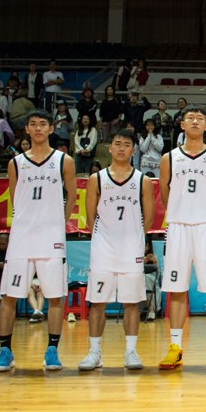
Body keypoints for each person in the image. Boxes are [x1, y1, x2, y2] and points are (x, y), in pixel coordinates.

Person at [0, 110, 77, 372]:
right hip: (22, 237)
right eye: (33, 124)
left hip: (51, 238)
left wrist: (58, 223)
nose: (38, 128)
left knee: (55, 296)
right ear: (27, 130)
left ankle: (52, 350)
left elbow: (72, 195)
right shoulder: (16, 163)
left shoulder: (64, 160)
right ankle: (5, 351)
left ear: (51, 129)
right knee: (9, 295)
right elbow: (16, 197)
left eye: (43, 124)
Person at [159, 104, 206, 370]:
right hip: (178, 226)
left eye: (200, 119)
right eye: (190, 118)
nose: (195, 122)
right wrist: (180, 212)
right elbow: (165, 194)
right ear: (182, 124)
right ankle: (175, 347)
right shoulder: (168, 158)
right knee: (176, 289)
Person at [77, 129, 155, 371]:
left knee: (131, 302)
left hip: (131, 248)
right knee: (97, 301)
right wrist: (106, 237)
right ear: (109, 148)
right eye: (117, 143)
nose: (121, 148)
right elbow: (90, 216)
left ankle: (131, 351)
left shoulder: (142, 180)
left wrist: (133, 238)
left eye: (127, 144)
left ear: (133, 150)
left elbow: (149, 219)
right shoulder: (96, 179)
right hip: (104, 247)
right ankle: (94, 352)